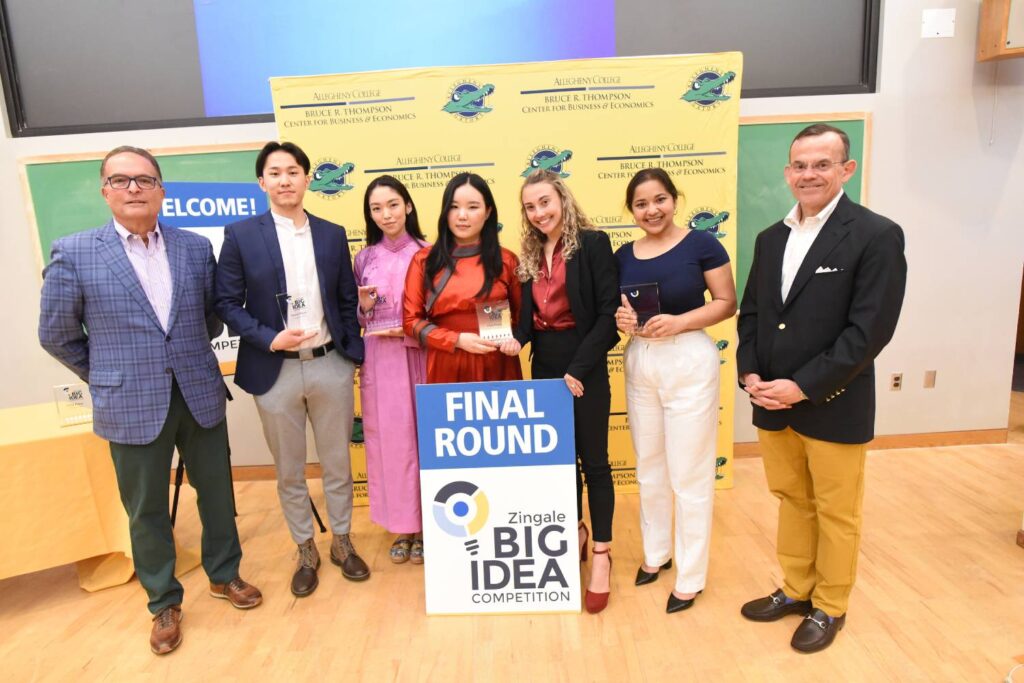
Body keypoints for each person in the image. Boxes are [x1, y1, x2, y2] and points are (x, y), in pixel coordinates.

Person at [38, 146, 261, 656]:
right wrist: (106, 375)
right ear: (105, 191)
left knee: (219, 495)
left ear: (162, 189)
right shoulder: (74, 251)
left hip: (198, 391)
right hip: (129, 402)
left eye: (144, 179)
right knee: (146, 510)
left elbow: (208, 318)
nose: (133, 188)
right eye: (121, 180)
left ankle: (226, 575)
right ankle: (163, 600)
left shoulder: (193, 248)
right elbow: (56, 333)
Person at [736, 124, 906, 653]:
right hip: (771, 403)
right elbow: (755, 317)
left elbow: (869, 331)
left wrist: (803, 386)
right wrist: (751, 374)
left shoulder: (876, 235)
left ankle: (830, 605)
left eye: (822, 164)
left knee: (836, 510)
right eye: (800, 166)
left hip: (834, 402)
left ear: (846, 169)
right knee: (792, 499)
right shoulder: (771, 238)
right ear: (788, 172)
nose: (809, 174)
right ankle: (795, 589)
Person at [214, 141, 368, 599]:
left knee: (338, 462)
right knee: (289, 470)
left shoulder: (331, 233)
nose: (285, 180)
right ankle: (305, 548)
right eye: (275, 172)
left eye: (294, 171)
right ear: (262, 182)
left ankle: (341, 540)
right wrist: (267, 337)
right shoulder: (241, 235)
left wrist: (352, 357)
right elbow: (225, 302)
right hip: (273, 370)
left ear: (306, 179)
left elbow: (345, 298)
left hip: (329, 366)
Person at [614, 167, 736, 615]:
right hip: (642, 359)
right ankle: (657, 553)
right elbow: (619, 308)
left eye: (660, 199)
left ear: (674, 199)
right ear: (632, 210)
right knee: (649, 465)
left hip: (688, 357)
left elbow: (727, 301)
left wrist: (681, 321)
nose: (652, 210)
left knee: (689, 473)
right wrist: (622, 320)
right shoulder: (623, 253)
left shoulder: (702, 244)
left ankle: (690, 576)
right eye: (642, 203)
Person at [513, 170, 619, 614]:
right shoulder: (530, 253)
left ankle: (602, 555)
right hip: (546, 366)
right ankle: (575, 530)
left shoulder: (593, 244)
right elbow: (524, 324)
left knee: (593, 462)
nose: (539, 213)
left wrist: (578, 370)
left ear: (562, 198)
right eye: (530, 207)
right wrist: (507, 342)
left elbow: (609, 316)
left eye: (545, 202)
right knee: (560, 463)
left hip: (586, 364)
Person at [354, 175, 429, 564]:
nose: (386, 214)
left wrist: (416, 328)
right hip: (381, 362)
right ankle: (402, 526)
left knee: (424, 439)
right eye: (377, 208)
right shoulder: (365, 258)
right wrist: (363, 307)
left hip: (421, 356)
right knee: (392, 444)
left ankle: (430, 523)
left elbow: (442, 308)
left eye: (393, 205)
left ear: (408, 206)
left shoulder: (431, 253)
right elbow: (358, 317)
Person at [403, 172, 523, 382]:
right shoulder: (424, 260)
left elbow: (523, 320)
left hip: (497, 365)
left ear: (488, 212)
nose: (462, 215)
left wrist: (513, 340)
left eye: (473, 207)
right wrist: (455, 340)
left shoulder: (507, 261)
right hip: (446, 365)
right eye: (454, 206)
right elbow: (411, 321)